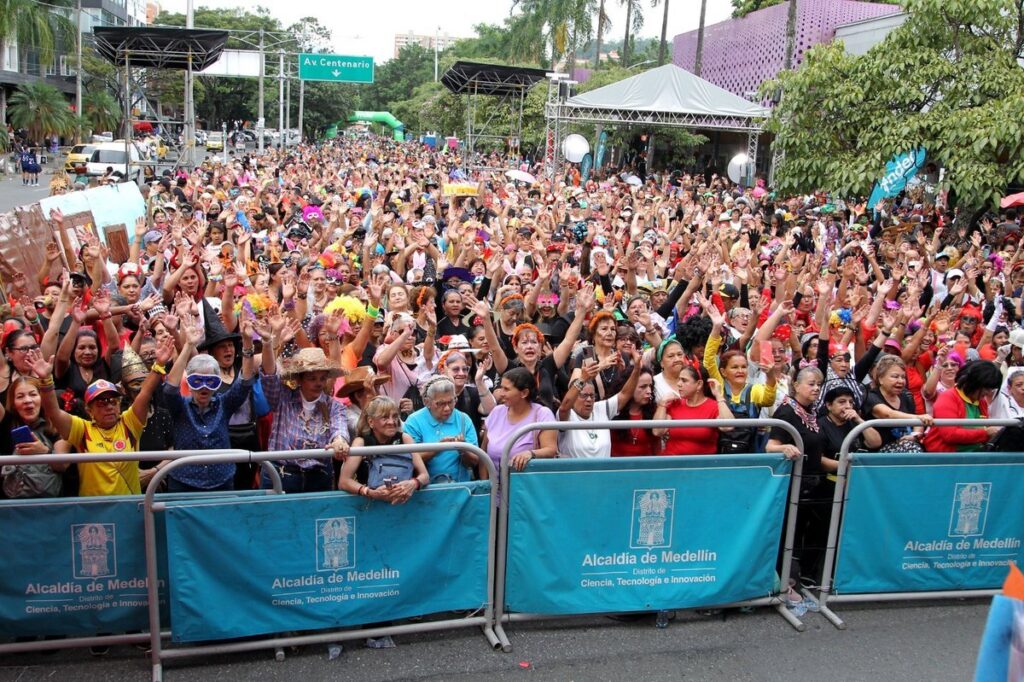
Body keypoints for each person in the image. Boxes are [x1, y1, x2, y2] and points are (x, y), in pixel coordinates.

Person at [26, 336, 174, 496]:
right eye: (101, 403)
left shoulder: (129, 423)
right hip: (93, 511)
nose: (109, 406)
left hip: (129, 508)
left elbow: (144, 393)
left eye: (112, 401)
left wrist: (158, 365)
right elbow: (53, 412)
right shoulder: (81, 429)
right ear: (89, 410)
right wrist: (45, 380)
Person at [159, 315, 257, 492]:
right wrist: (188, 345)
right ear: (189, 382)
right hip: (184, 482)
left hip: (222, 481)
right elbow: (170, 389)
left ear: (217, 382)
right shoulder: (180, 408)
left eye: (210, 382)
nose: (204, 387)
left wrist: (248, 342)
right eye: (198, 381)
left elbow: (245, 383)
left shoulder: (224, 404)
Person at [261, 319, 350, 492]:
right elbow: (269, 373)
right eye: (311, 378)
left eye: (322, 378)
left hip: (318, 476)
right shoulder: (283, 397)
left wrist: (339, 441)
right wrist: (269, 341)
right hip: (282, 474)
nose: (318, 383)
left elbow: (340, 428)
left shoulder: (334, 406)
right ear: (299, 379)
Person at [558, 351, 641, 459]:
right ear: (574, 398)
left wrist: (637, 368)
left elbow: (625, 394)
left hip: (603, 473)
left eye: (592, 396)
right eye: (583, 396)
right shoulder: (568, 416)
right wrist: (582, 379)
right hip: (576, 474)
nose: (589, 399)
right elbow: (564, 407)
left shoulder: (601, 409)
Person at [403, 375, 480, 482]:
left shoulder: (463, 419)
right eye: (440, 404)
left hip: (460, 488)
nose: (447, 408)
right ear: (426, 402)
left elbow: (475, 461)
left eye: (451, 402)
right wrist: (437, 448)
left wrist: (462, 449)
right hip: (425, 490)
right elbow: (409, 459)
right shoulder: (414, 421)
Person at [0, 376, 66, 497]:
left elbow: (62, 466)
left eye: (33, 394)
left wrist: (44, 452)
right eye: (20, 397)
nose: (27, 400)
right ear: (13, 403)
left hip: (51, 503)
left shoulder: (57, 426)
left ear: (42, 398)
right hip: (11, 506)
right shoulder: (7, 423)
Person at [482, 367, 557, 473]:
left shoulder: (542, 414)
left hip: (528, 486)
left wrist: (531, 453)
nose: (501, 393)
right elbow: (483, 453)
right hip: (497, 488)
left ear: (524, 393)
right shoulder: (496, 412)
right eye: (501, 388)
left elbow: (551, 450)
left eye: (506, 389)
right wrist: (486, 486)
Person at [923, 360, 1004, 452]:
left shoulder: (981, 402)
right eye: (986, 388)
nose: (989, 392)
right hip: (947, 458)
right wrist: (986, 433)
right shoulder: (948, 398)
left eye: (991, 389)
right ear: (973, 383)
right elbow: (950, 435)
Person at [653, 365, 734, 456]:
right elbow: (657, 431)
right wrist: (662, 404)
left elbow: (728, 426)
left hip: (701, 466)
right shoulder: (675, 403)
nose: (679, 384)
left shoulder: (714, 406)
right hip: (672, 463)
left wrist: (718, 396)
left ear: (699, 384)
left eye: (684, 380)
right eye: (679, 379)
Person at [862, 355, 934, 451]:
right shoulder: (870, 396)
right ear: (880, 379)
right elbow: (888, 414)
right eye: (895, 376)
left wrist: (915, 435)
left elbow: (917, 422)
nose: (900, 381)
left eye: (903, 377)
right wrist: (919, 417)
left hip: (908, 445)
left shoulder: (906, 396)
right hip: (880, 452)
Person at [610, 367, 660, 457]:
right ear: (629, 387)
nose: (649, 391)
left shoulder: (654, 411)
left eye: (650, 386)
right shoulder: (611, 410)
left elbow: (657, 449)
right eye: (643, 387)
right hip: (617, 467)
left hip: (646, 467)